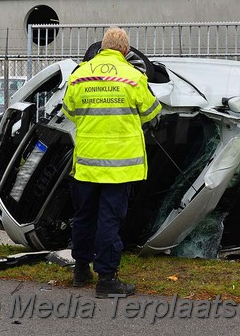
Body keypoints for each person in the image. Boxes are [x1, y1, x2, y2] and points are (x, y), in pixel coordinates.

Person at [62, 26, 161, 298]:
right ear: (126, 51)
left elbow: (68, 111)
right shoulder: (133, 77)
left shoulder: (79, 75)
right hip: (119, 166)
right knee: (108, 220)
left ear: (101, 46)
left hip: (86, 163)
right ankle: (106, 279)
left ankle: (81, 271)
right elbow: (152, 112)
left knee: (84, 217)